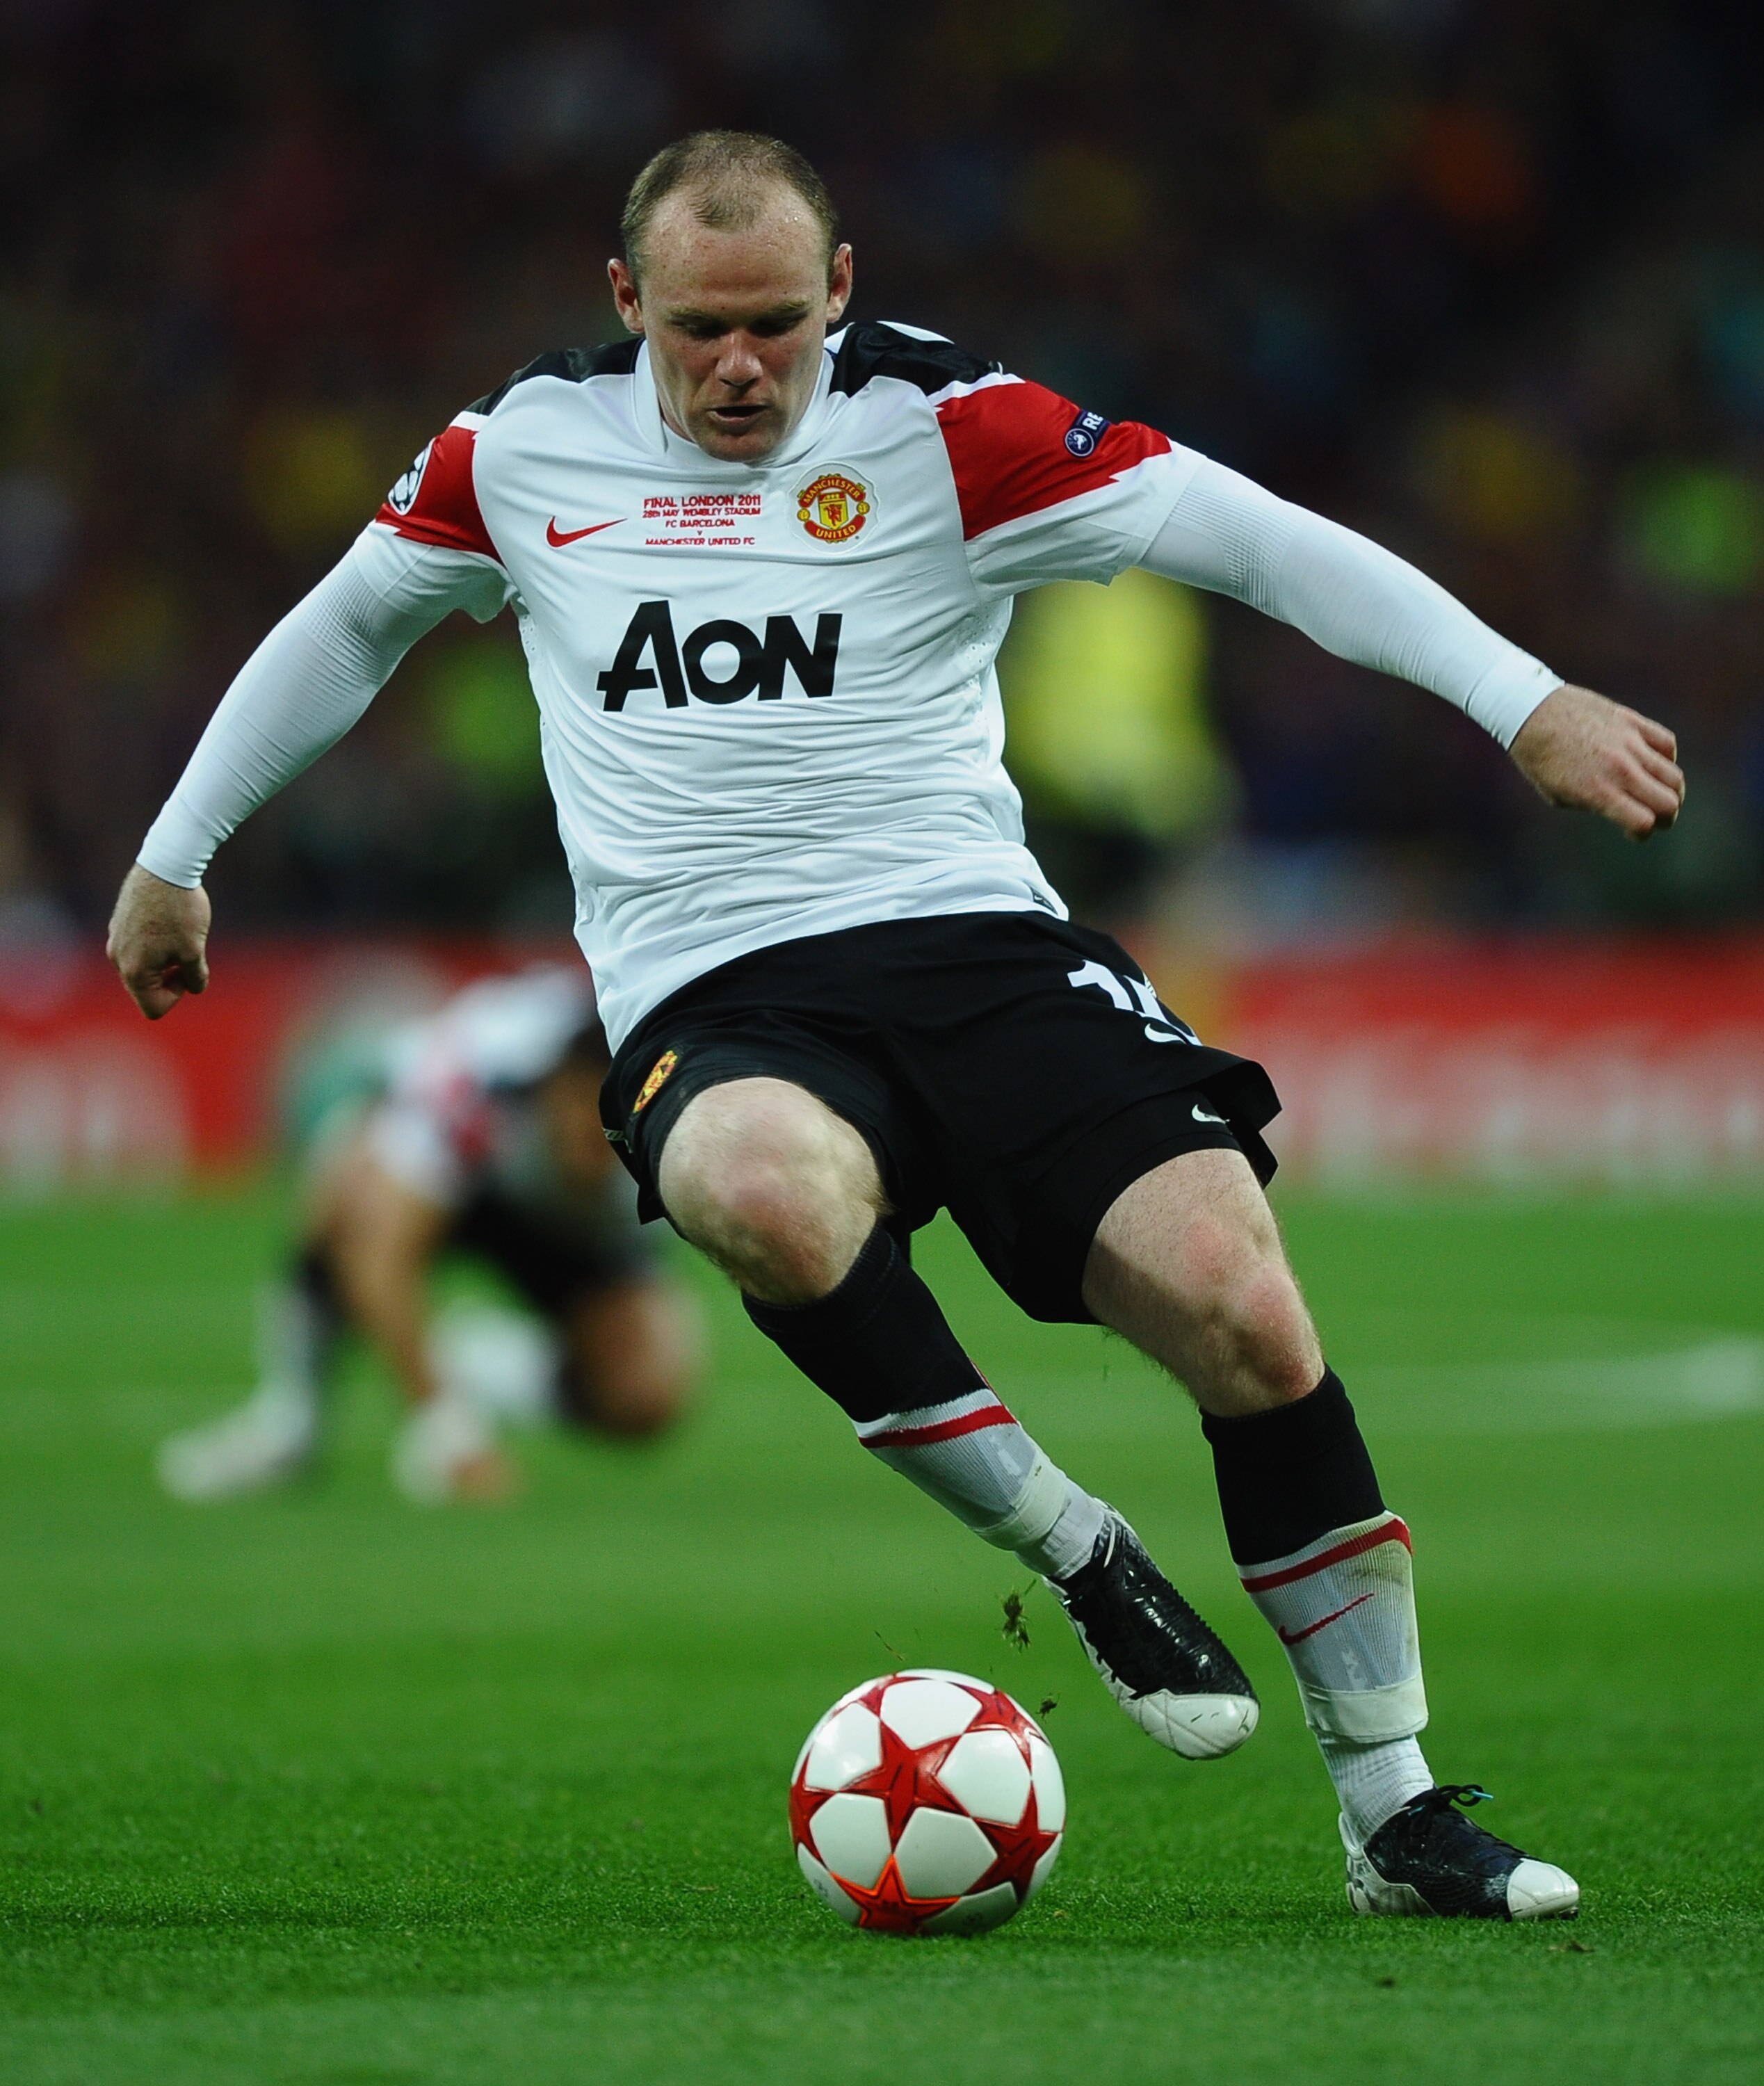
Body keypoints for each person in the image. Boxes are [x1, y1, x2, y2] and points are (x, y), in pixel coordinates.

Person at [108, 131, 1683, 1919]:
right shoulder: (516, 452)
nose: (739, 369)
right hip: (717, 981)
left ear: (840, 292)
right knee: (757, 1187)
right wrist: (176, 855)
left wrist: (1522, 698)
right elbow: (346, 625)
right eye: (699, 329)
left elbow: (1255, 542)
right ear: (625, 303)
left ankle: (1394, 1811)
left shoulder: (957, 427)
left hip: (978, 950)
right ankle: (1072, 1544)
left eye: (778, 323)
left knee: (1240, 1302)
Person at [158, 966, 702, 1504]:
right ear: (553, 1091)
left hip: (560, 1217)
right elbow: (381, 1261)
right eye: (583, 1133)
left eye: (607, 1141)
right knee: (345, 1186)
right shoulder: (479, 1086)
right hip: (450, 1172)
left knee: (645, 1394)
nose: (596, 1155)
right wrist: (449, 1433)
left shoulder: (673, 1113)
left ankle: (474, 1364)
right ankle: (291, 1422)